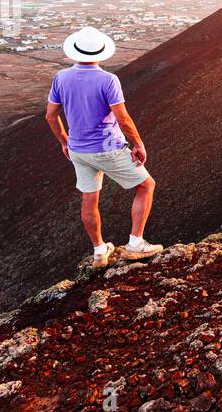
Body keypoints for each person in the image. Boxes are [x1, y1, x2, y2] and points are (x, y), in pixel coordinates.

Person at [45, 26, 161, 267]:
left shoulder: (61, 78)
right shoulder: (108, 80)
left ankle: (99, 251)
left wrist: (65, 142)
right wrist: (138, 144)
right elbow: (123, 118)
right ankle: (136, 243)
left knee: (90, 198)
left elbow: (50, 116)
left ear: (75, 51)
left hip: (78, 150)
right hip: (108, 147)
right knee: (146, 185)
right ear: (100, 53)